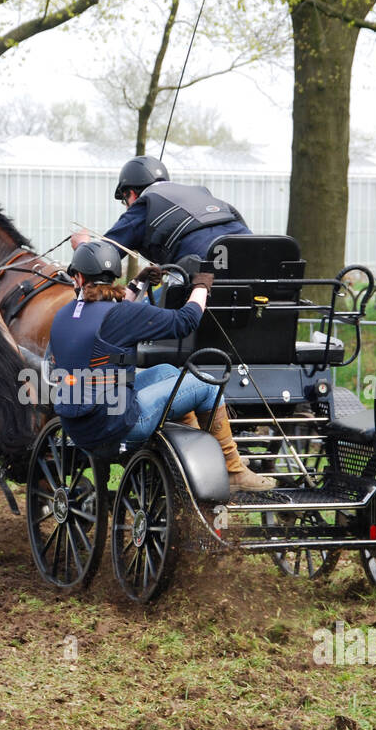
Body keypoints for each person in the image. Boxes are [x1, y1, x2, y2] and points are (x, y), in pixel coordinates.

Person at [47, 239, 275, 492]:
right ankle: (233, 471)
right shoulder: (119, 315)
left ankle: (201, 452)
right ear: (114, 276)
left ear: (77, 277)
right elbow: (185, 321)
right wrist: (201, 286)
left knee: (169, 373)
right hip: (117, 427)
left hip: (77, 429)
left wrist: (139, 282)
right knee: (209, 384)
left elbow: (110, 317)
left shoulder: (63, 315)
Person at [70, 156, 252, 269]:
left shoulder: (144, 206)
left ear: (131, 193)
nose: (127, 207)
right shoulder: (202, 193)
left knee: (142, 313)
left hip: (205, 277)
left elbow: (102, 259)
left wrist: (83, 246)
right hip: (256, 260)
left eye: (125, 201)